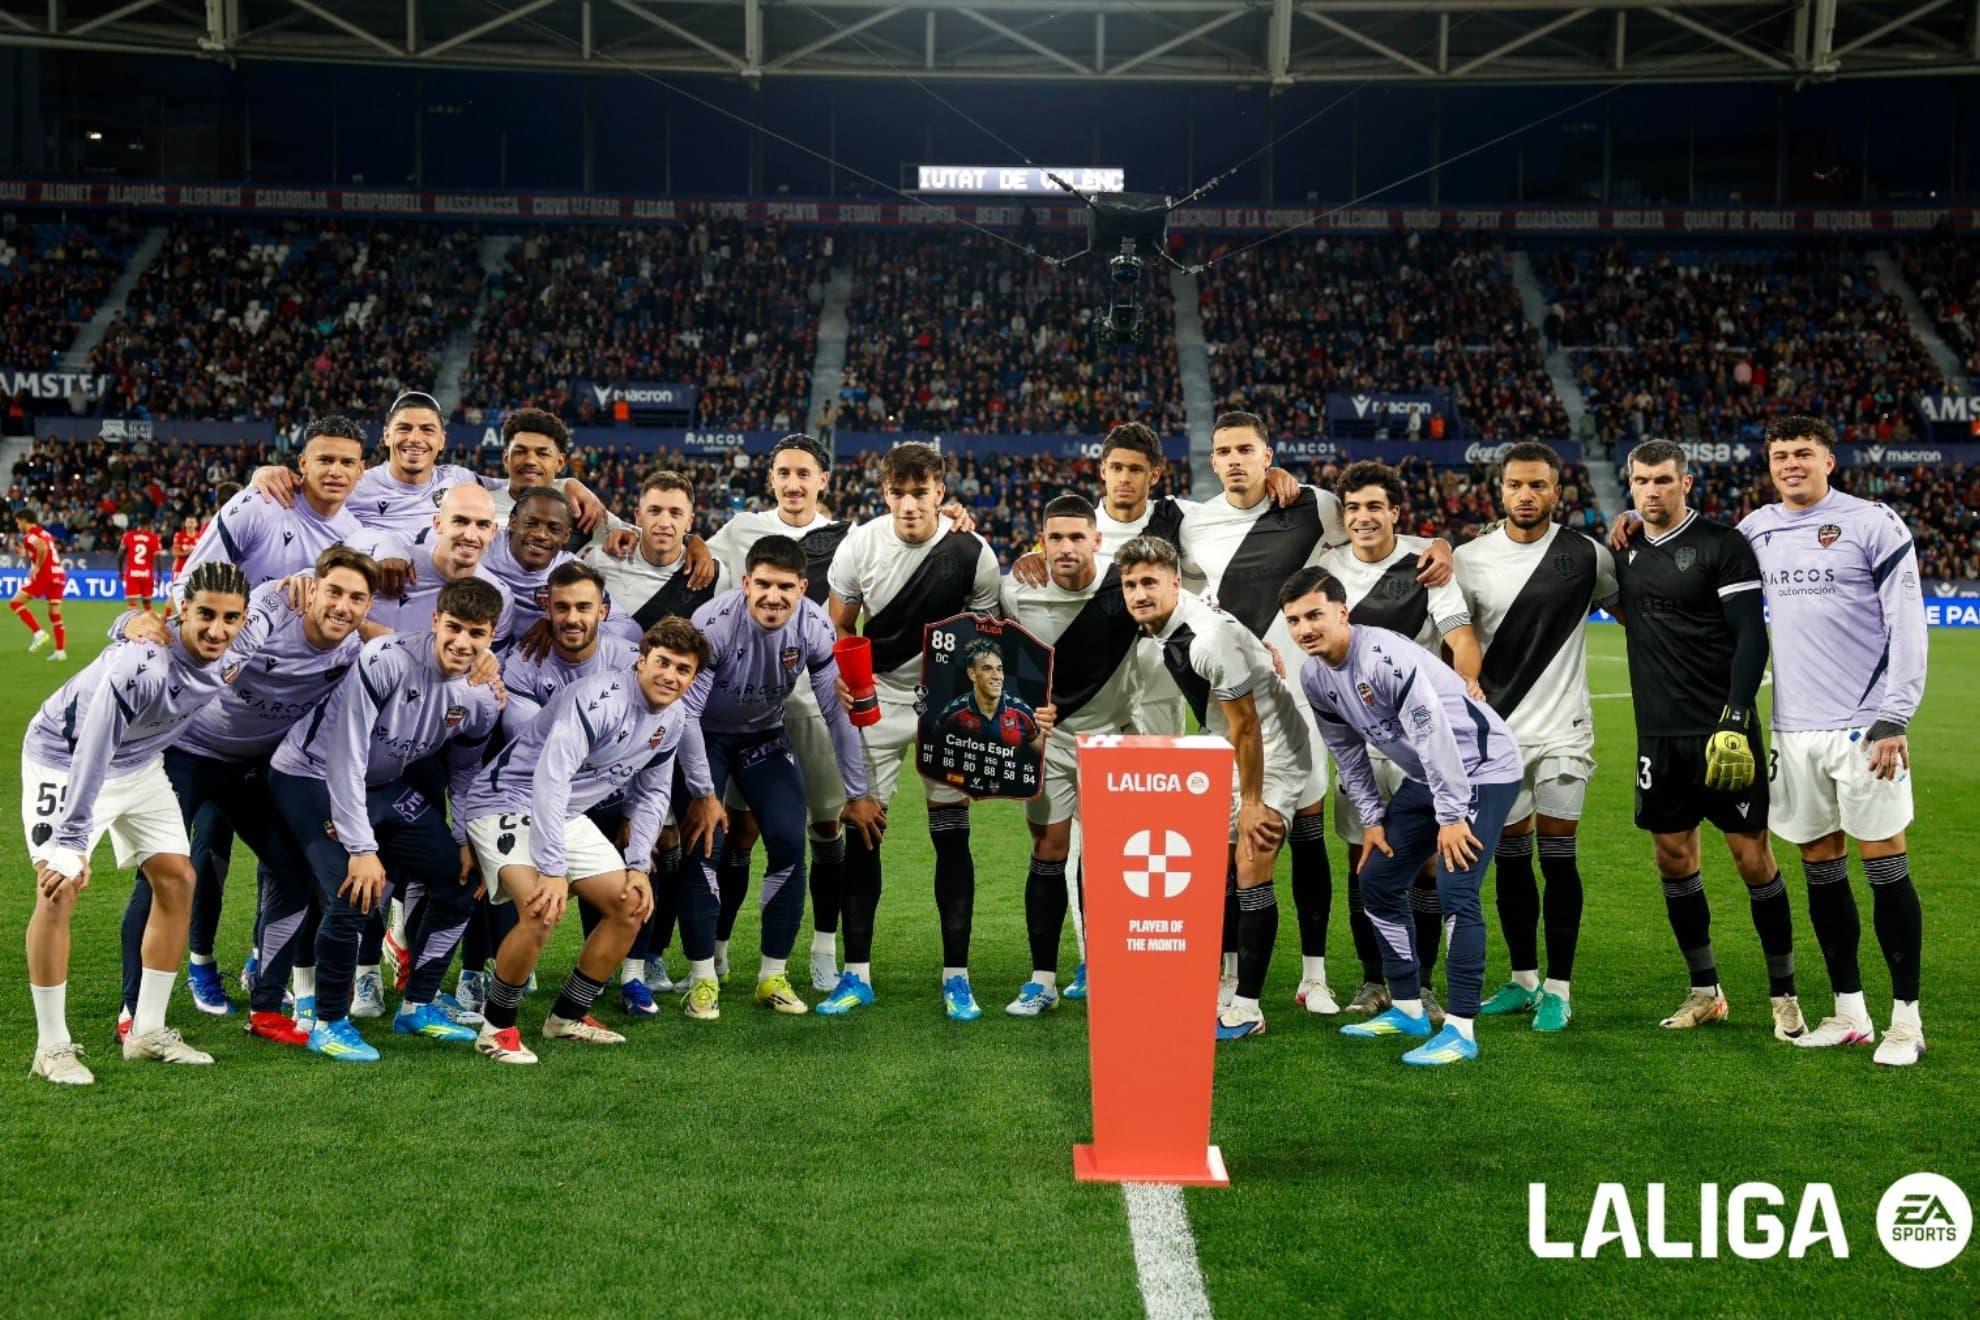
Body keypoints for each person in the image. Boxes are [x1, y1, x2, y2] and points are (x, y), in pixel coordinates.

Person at [1179, 412, 1454, 1018]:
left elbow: (1379, 528)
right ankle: (1229, 975)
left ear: (1267, 453)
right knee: (1234, 845)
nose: (1233, 460)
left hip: (1305, 705)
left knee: (1310, 840)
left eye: (1246, 450)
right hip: (1231, 703)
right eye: (1222, 450)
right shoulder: (1193, 523)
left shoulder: (1316, 505)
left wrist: (1442, 544)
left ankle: (1316, 977)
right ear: (1211, 458)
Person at [115, 547, 381, 1047]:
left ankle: (265, 1006)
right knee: (161, 878)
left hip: (253, 767)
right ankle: (132, 1010)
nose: (343, 606)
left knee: (292, 867)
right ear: (311, 590)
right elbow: (183, 631)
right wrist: (128, 621)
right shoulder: (269, 616)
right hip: (184, 754)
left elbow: (406, 651)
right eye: (334, 592)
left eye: (357, 599)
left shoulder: (355, 651)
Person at [1738, 415, 1927, 1065]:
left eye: (1803, 453)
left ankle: (1907, 1020)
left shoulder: (1873, 523)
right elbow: (1699, 559)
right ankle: (1850, 1012)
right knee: (1821, 867)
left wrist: (1894, 716)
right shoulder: (1757, 529)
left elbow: (1908, 625)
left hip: (1863, 728)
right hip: (1794, 731)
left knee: (1884, 865)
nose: (1790, 463)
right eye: (1780, 454)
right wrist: (1637, 527)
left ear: (1830, 461)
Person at [21, 561, 255, 1085]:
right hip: (67, 758)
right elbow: (94, 746)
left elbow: (283, 603)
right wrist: (73, 838)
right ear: (180, 612)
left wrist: (294, 584)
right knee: (58, 889)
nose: (218, 630)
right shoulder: (143, 664)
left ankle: (147, 1032)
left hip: (140, 764)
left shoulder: (243, 639)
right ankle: (51, 1047)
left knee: (178, 879)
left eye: (230, 618)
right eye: (205, 616)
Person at [1281, 568, 1522, 1066]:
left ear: (1342, 612)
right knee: (1377, 878)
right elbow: (1346, 752)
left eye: (1314, 615)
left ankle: (1460, 1030)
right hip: (1431, 777)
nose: (1305, 628)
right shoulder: (1314, 675)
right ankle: (1408, 1007)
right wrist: (1372, 819)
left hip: (1483, 769)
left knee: (1456, 889)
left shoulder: (1384, 660)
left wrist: (1452, 815)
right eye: (1294, 620)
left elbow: (1434, 735)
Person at [264, 579, 506, 1062]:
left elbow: (464, 771)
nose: (463, 642)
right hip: (310, 777)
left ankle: (417, 1004)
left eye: (476, 633)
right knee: (355, 895)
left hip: (384, 786)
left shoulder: (480, 697)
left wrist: (463, 836)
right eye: (453, 627)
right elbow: (345, 756)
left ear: (491, 636)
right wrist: (361, 848)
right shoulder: (387, 660)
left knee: (460, 881)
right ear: (435, 621)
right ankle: (330, 1022)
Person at [457, 618, 714, 1064]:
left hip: (564, 811)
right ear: (642, 661)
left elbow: (653, 792)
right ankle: (496, 1028)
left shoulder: (672, 720)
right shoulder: (597, 699)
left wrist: (637, 864)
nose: (670, 676)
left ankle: (566, 1017)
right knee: (541, 908)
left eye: (683, 670)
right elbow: (550, 778)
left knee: (631, 903)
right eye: (663, 663)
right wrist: (554, 870)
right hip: (505, 800)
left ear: (693, 677)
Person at [1613, 439, 1803, 1041]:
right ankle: (1704, 991)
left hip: (1725, 730)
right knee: (1673, 857)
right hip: (1659, 735)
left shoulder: (1723, 545)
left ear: (1685, 483)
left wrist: (1735, 715)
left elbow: (1752, 638)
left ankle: (1785, 995)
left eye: (1663, 481)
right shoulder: (1624, 547)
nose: (1651, 492)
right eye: (1641, 482)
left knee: (1753, 858)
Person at [824, 441, 1002, 1019]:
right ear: (884, 494)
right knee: (864, 830)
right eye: (897, 493)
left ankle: (957, 978)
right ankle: (857, 976)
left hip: (946, 705)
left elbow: (985, 640)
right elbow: (839, 628)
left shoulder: (972, 552)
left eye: (919, 493)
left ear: (940, 493)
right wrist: (841, 679)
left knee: (951, 834)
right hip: (876, 702)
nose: (907, 504)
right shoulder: (859, 545)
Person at [1116, 535, 1314, 1041]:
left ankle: (1247, 1008)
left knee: (1251, 858)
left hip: (1272, 748)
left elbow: (1248, 724)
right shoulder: (1168, 621)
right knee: (1215, 867)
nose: (1139, 593)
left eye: (1149, 583)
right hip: (1226, 744)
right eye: (1131, 584)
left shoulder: (1207, 637)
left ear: (1175, 583)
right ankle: (1225, 985)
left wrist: (1251, 805)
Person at [675, 536, 879, 1019]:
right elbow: (685, 716)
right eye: (762, 584)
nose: (773, 596)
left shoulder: (814, 624)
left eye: (785, 587)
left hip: (764, 734)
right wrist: (704, 792)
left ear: (803, 587)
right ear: (745, 583)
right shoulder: (713, 625)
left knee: (789, 840)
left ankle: (772, 976)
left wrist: (858, 793)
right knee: (706, 842)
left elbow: (837, 710)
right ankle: (703, 979)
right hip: (705, 734)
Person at [1454, 442, 1617, 1034]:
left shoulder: (1587, 555)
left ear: (1558, 491)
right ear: (1500, 490)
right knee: (1512, 861)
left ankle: (1558, 988)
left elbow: (1632, 609)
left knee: (1558, 855)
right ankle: (1522, 980)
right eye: (1516, 486)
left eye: (1539, 486)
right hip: (1497, 736)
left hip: (1563, 732)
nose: (1527, 495)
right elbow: (1456, 637)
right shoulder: (1470, 559)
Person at [1317, 461, 1483, 1020]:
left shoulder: (1427, 566)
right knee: (1362, 858)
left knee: (1428, 864)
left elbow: (1460, 635)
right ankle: (1372, 981)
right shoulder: (1324, 567)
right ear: (1343, 517)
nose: (1363, 517)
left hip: (1419, 740)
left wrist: (1469, 682)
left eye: (1374, 506)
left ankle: (1423, 983)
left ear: (1394, 511)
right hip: (1359, 740)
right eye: (1353, 508)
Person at [704, 434, 856, 992]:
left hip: (814, 706)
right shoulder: (739, 530)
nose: (793, 484)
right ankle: (718, 947)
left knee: (822, 826)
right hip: (749, 710)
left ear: (823, 480)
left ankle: (822, 946)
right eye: (784, 473)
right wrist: (696, 545)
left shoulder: (852, 537)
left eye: (804, 474)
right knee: (739, 830)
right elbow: (693, 554)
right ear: (770, 479)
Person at [998, 495, 1137, 1016]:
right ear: (1041, 539)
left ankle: (1098, 965)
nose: (1066, 547)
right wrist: (1023, 711)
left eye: (1077, 537)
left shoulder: (1126, 585)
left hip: (1112, 738)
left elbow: (1187, 610)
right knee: (1050, 850)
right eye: (1055, 537)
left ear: (1097, 540)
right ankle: (1042, 979)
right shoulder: (1018, 591)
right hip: (1048, 744)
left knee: (1105, 858)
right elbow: (992, 660)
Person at [173, 416, 368, 607]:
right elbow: (189, 585)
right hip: (247, 638)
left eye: (347, 462)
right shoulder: (256, 507)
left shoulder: (357, 535)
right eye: (325, 460)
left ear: (360, 470)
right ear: (303, 464)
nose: (335, 471)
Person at [936, 640, 1047, 754]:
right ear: (972, 674)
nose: (997, 676)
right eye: (987, 669)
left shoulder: (1021, 711)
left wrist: (1047, 728)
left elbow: (1039, 750)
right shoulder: (953, 713)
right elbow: (935, 749)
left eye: (999, 669)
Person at [11, 506, 68, 660]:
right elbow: (43, 547)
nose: (18, 526)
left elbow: (41, 547)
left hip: (46, 575)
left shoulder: (30, 535)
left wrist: (37, 567)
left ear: (24, 520)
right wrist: (25, 554)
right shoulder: (45, 533)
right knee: (55, 614)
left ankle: (38, 632)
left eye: (18, 522)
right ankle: (60, 652)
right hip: (59, 575)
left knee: (15, 603)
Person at [120, 522, 163, 612]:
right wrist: (159, 575)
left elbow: (120, 554)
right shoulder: (153, 537)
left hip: (132, 574)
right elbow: (158, 558)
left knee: (132, 604)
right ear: (148, 526)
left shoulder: (128, 536)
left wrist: (120, 571)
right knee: (147, 605)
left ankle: (131, 624)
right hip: (147, 574)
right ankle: (149, 624)